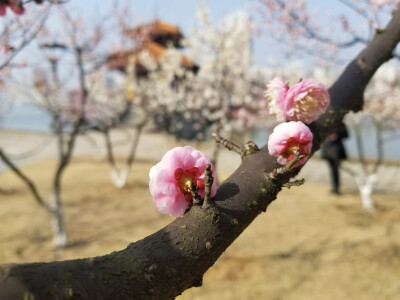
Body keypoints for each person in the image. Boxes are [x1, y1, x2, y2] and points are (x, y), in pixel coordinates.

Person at [321, 122, 349, 195]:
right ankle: (334, 188)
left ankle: (336, 188)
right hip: (327, 149)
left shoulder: (340, 124)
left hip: (337, 151)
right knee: (332, 170)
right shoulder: (325, 122)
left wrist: (337, 135)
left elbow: (346, 135)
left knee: (335, 170)